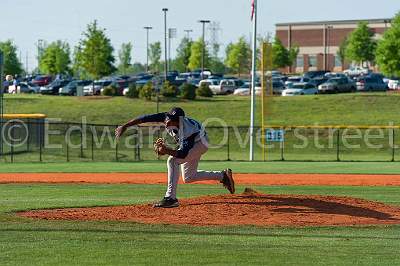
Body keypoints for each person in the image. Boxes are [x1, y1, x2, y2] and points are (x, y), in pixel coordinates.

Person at [115, 107, 235, 208]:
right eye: (168, 118)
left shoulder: (187, 131)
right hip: (196, 142)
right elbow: (144, 118)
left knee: (173, 161)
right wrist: (125, 126)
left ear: (179, 121)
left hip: (201, 143)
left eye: (171, 120)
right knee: (188, 177)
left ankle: (170, 198)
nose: (167, 121)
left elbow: (182, 153)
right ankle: (223, 176)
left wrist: (167, 150)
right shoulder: (166, 117)